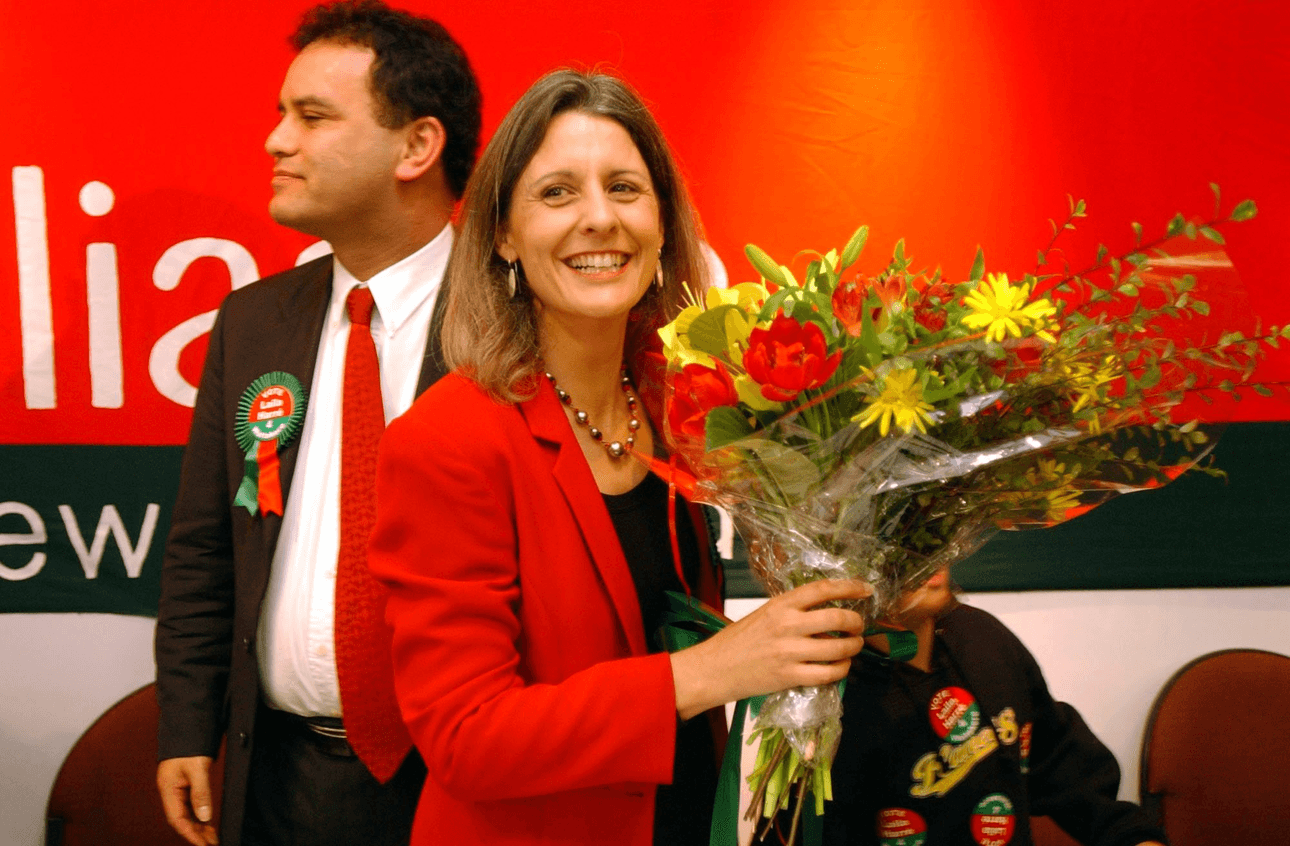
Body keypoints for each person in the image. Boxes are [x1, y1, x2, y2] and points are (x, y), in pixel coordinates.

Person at [365, 69, 873, 846]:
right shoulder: (448, 441)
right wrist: (709, 671)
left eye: (626, 188)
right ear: (502, 234)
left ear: (664, 223)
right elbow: (467, 737)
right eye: (558, 193)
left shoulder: (692, 407)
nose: (599, 219)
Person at [153, 3, 480, 846]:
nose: (275, 141)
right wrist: (188, 729)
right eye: (280, 114)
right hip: (279, 783)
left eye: (312, 116)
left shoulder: (516, 323)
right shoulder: (253, 322)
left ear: (417, 146)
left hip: (467, 783)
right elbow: (204, 546)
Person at [820, 567, 1168, 846]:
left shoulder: (980, 637)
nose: (927, 552)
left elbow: (1066, 769)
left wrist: (1133, 836)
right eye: (899, 531)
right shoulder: (822, 696)